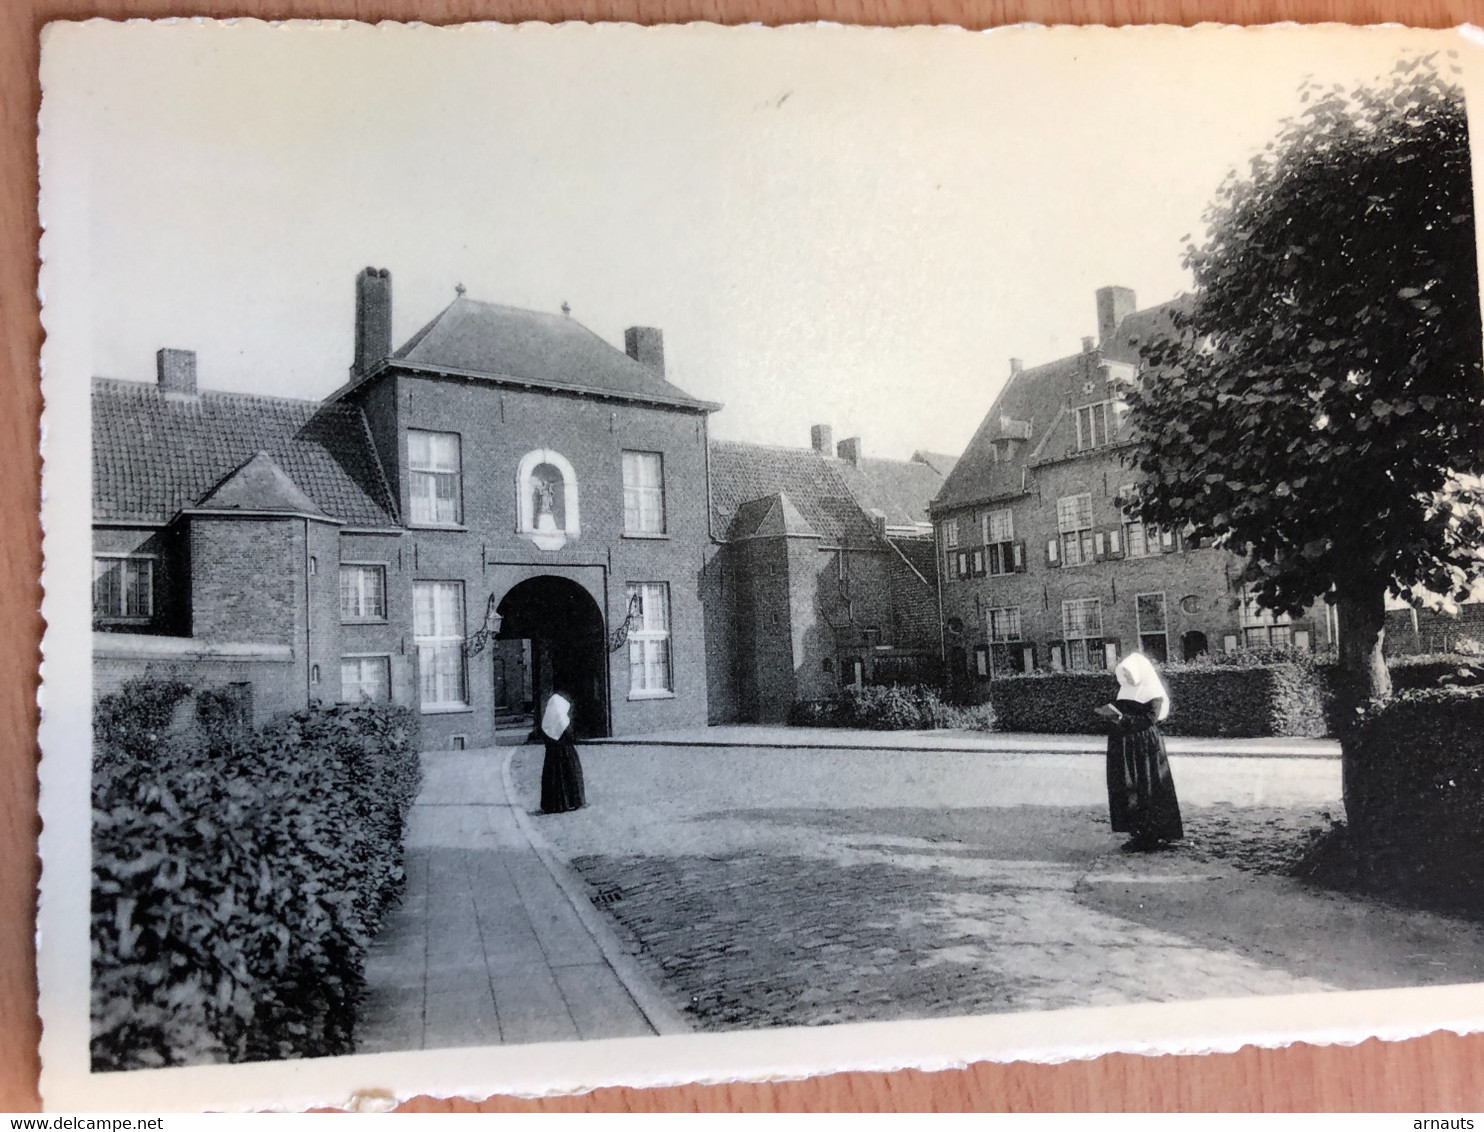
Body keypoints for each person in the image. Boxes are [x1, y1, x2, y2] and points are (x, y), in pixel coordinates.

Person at [1103, 651, 1183, 851]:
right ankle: (1136, 832)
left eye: (1130, 673)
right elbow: (1120, 712)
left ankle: (1154, 833)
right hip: (1124, 744)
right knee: (1128, 786)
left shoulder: (1152, 691)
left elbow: (1150, 719)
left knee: (1148, 785)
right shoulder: (1125, 691)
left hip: (1145, 744)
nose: (1128, 678)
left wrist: (1124, 721)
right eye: (1125, 674)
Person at [539, 691, 586, 814]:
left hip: (552, 756)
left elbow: (545, 737)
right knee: (570, 775)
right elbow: (570, 735)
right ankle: (573, 801)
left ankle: (555, 804)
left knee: (554, 778)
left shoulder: (547, 723)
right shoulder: (564, 722)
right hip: (566, 753)